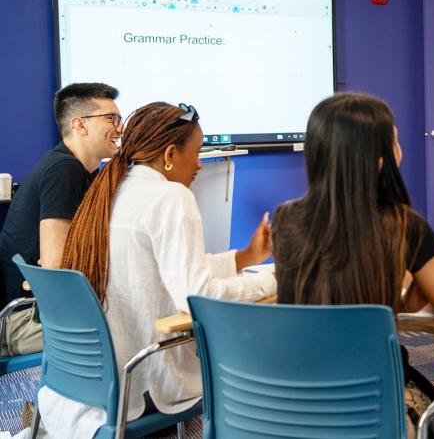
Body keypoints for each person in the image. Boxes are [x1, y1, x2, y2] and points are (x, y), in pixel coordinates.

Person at [38, 102, 275, 438]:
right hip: (144, 382)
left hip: (86, 386)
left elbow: (164, 272)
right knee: (253, 370)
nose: (199, 164)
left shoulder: (112, 191)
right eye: (195, 153)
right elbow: (197, 296)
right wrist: (274, 281)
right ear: (169, 154)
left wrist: (246, 257)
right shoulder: (171, 197)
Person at [271, 93, 434, 437]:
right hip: (373, 402)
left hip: (293, 399)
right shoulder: (405, 225)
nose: (401, 150)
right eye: (396, 142)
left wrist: (401, 302)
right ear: (378, 163)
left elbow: (326, 302)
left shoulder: (286, 219)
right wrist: (411, 296)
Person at [0, 83, 121, 306]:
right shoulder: (64, 170)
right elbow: (55, 265)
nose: (120, 129)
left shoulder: (81, 170)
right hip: (33, 316)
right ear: (80, 124)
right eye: (111, 118)